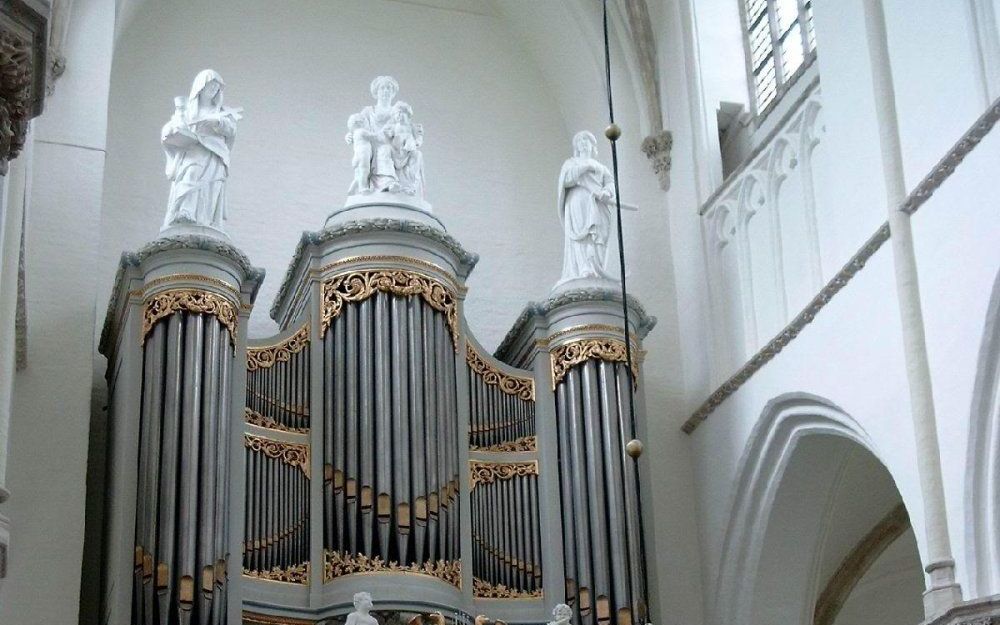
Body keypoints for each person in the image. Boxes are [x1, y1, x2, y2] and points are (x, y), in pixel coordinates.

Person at [161, 69, 242, 232]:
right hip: (194, 149)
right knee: (190, 174)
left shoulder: (221, 112)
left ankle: (206, 219)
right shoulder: (189, 110)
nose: (213, 90)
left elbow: (231, 130)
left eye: (216, 87)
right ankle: (185, 211)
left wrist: (218, 123)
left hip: (215, 154)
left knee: (211, 186)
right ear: (200, 87)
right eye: (210, 86)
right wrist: (172, 129)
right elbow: (173, 126)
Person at [556, 131, 617, 284]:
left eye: (586, 140)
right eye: (579, 141)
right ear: (576, 146)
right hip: (578, 202)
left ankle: (597, 268)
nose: (583, 143)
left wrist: (606, 192)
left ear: (592, 145)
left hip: (597, 205)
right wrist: (585, 167)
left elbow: (610, 183)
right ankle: (583, 267)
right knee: (583, 235)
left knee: (597, 237)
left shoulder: (601, 167)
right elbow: (567, 179)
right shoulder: (571, 163)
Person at [346, 112, 375, 194]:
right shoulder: (362, 131)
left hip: (357, 156)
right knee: (364, 171)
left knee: (358, 174)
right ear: (361, 122)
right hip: (363, 155)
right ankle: (363, 188)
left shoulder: (355, 133)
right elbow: (374, 137)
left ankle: (352, 188)